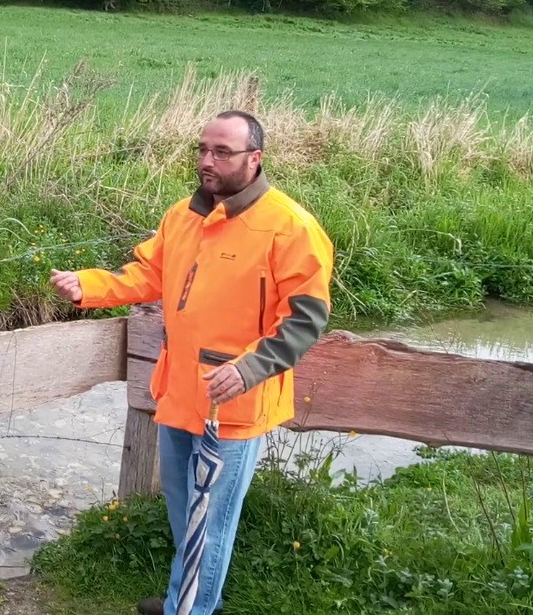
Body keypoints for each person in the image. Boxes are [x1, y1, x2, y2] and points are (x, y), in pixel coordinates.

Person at [51, 111, 333, 615]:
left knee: (211, 522)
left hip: (234, 407)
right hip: (179, 395)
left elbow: (305, 320)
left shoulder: (291, 227)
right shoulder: (182, 215)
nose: (207, 161)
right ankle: (191, 598)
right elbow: (148, 274)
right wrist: (89, 286)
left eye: (222, 152)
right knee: (187, 516)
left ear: (255, 159)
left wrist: (248, 369)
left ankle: (192, 608)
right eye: (203, 149)